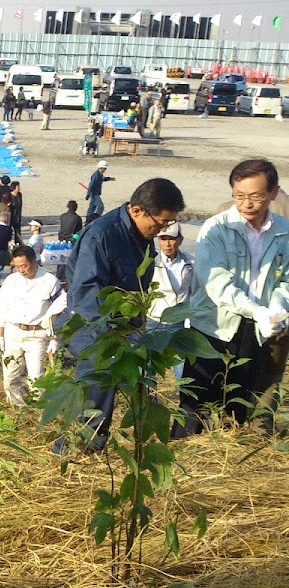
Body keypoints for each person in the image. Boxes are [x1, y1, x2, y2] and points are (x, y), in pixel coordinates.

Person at [59, 178, 185, 452]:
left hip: (124, 327)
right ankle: (79, 449)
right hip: (94, 327)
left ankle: (98, 444)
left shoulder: (142, 237)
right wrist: (108, 337)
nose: (161, 230)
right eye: (159, 223)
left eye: (167, 225)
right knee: (96, 387)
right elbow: (86, 291)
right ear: (138, 210)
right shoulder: (102, 235)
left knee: (128, 385)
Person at [177, 159, 289, 438]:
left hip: (255, 330)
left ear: (274, 192)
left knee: (239, 400)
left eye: (255, 196)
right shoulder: (216, 229)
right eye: (239, 196)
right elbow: (217, 283)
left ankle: (229, 448)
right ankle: (180, 451)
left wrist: (277, 308)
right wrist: (257, 310)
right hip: (213, 324)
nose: (247, 203)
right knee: (195, 403)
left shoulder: (284, 231)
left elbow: (285, 279)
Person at [0, 245, 65, 407]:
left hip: (37, 335)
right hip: (13, 332)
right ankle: (17, 407)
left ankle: (39, 409)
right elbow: (3, 307)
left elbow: (59, 311)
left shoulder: (49, 281)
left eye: (24, 266)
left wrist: (55, 338)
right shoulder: (12, 280)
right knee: (11, 375)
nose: (21, 270)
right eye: (17, 266)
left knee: (36, 378)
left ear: (34, 261)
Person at [148, 223, 194, 380]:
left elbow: (194, 292)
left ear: (180, 240)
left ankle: (184, 402)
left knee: (182, 370)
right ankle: (147, 401)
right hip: (153, 322)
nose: (167, 244)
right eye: (163, 239)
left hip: (178, 324)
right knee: (148, 370)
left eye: (172, 239)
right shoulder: (150, 262)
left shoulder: (189, 263)